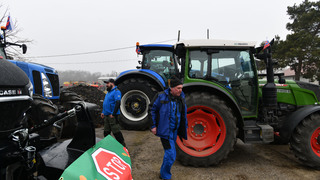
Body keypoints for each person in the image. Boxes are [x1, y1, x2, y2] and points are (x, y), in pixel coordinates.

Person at [149, 77, 188, 180]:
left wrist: (185, 127)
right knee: (170, 155)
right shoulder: (161, 96)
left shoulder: (181, 97)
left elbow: (183, 114)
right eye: (178, 88)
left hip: (175, 130)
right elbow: (152, 110)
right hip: (165, 131)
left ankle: (163, 173)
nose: (180, 90)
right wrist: (153, 126)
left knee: (171, 154)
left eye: (181, 88)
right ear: (171, 88)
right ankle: (165, 177)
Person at [101, 78, 126, 147]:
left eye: (107, 83)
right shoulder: (108, 92)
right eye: (106, 83)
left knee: (116, 132)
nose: (106, 85)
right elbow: (106, 103)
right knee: (106, 132)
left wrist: (113, 113)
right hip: (106, 115)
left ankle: (123, 147)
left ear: (112, 83)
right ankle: (107, 146)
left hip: (112, 116)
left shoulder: (116, 91)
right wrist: (103, 112)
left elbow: (118, 102)